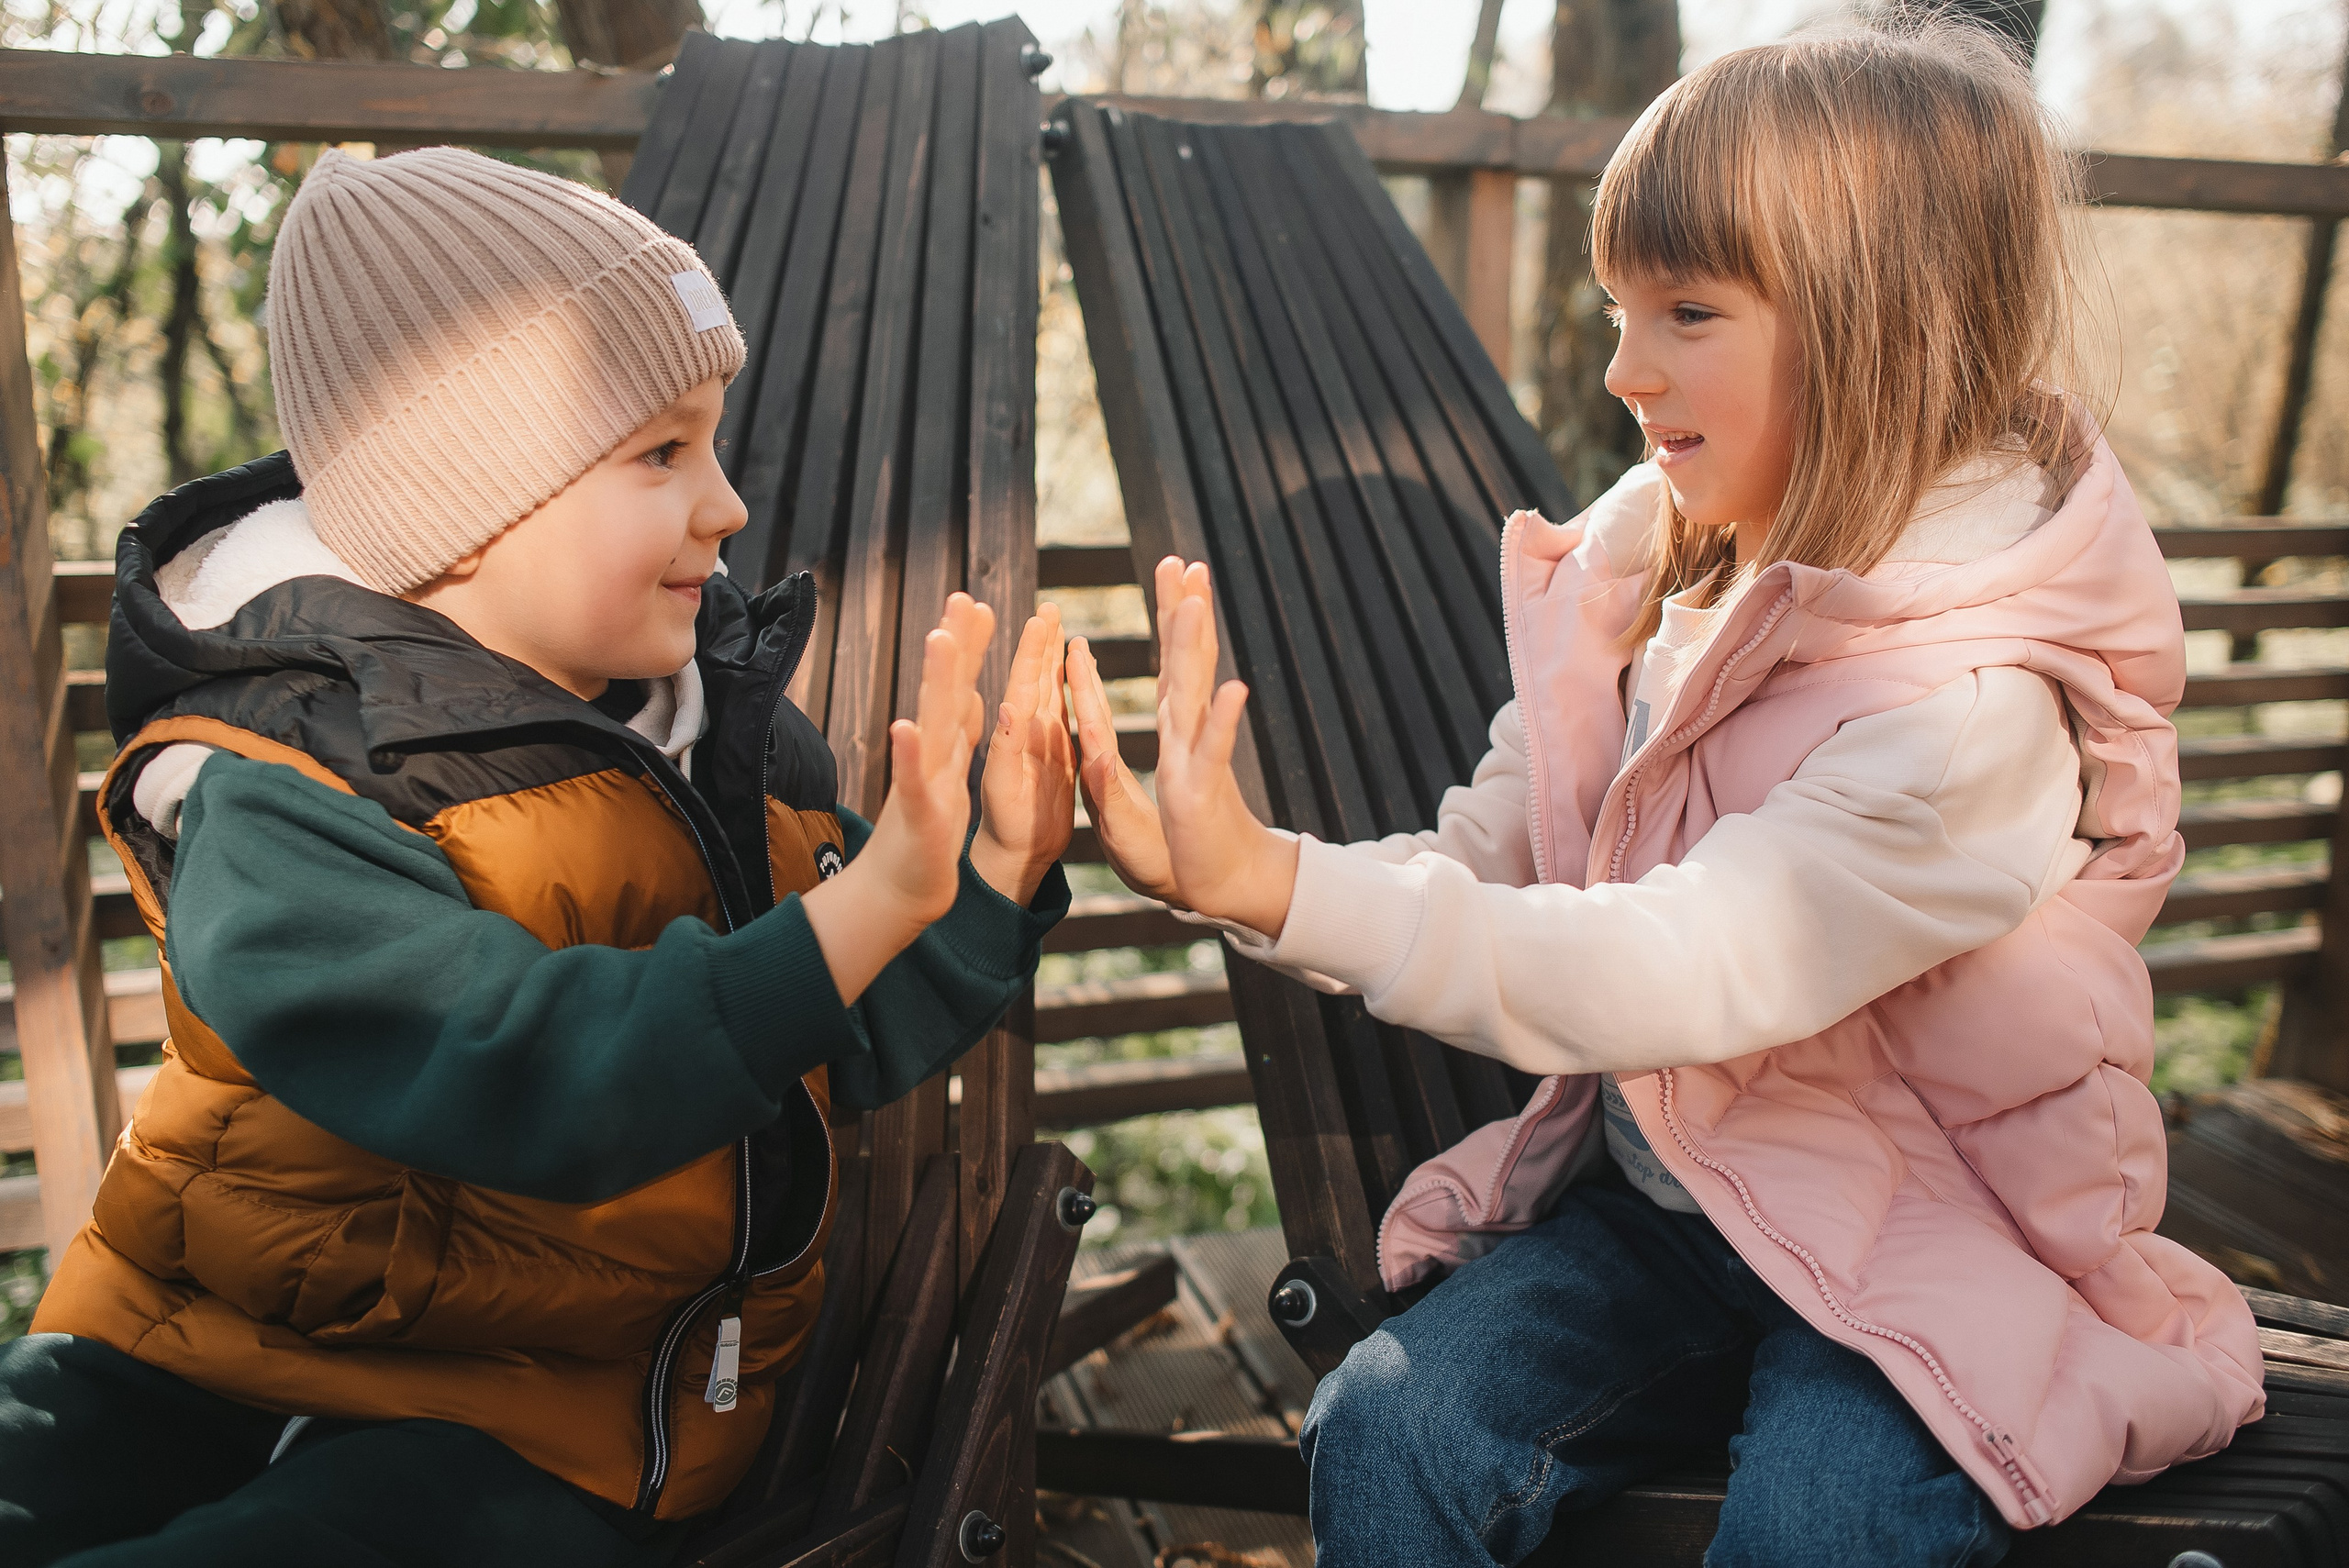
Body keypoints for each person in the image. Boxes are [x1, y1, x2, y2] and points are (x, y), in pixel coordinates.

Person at [1068, 17, 2265, 1567]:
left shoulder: (1969, 713)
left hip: (1930, 1234)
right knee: (1390, 1424)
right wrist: (1251, 867)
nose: (1625, 370)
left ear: (1880, 330)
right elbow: (1497, 849)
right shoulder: (1657, 586)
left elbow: (1686, 962)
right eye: (1619, 311)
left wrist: (1276, 883)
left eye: (1688, 312)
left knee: (1824, 1521)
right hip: (1675, 1215)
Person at [0, 146, 1074, 1566]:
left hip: (537, 1416)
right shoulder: (273, 782)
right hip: (186, 1345)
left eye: (712, 442)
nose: (728, 504)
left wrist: (991, 868)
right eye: (661, 452)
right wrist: (863, 908)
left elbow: (827, 1007)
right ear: (461, 502)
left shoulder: (709, 750)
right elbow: (513, 1061)